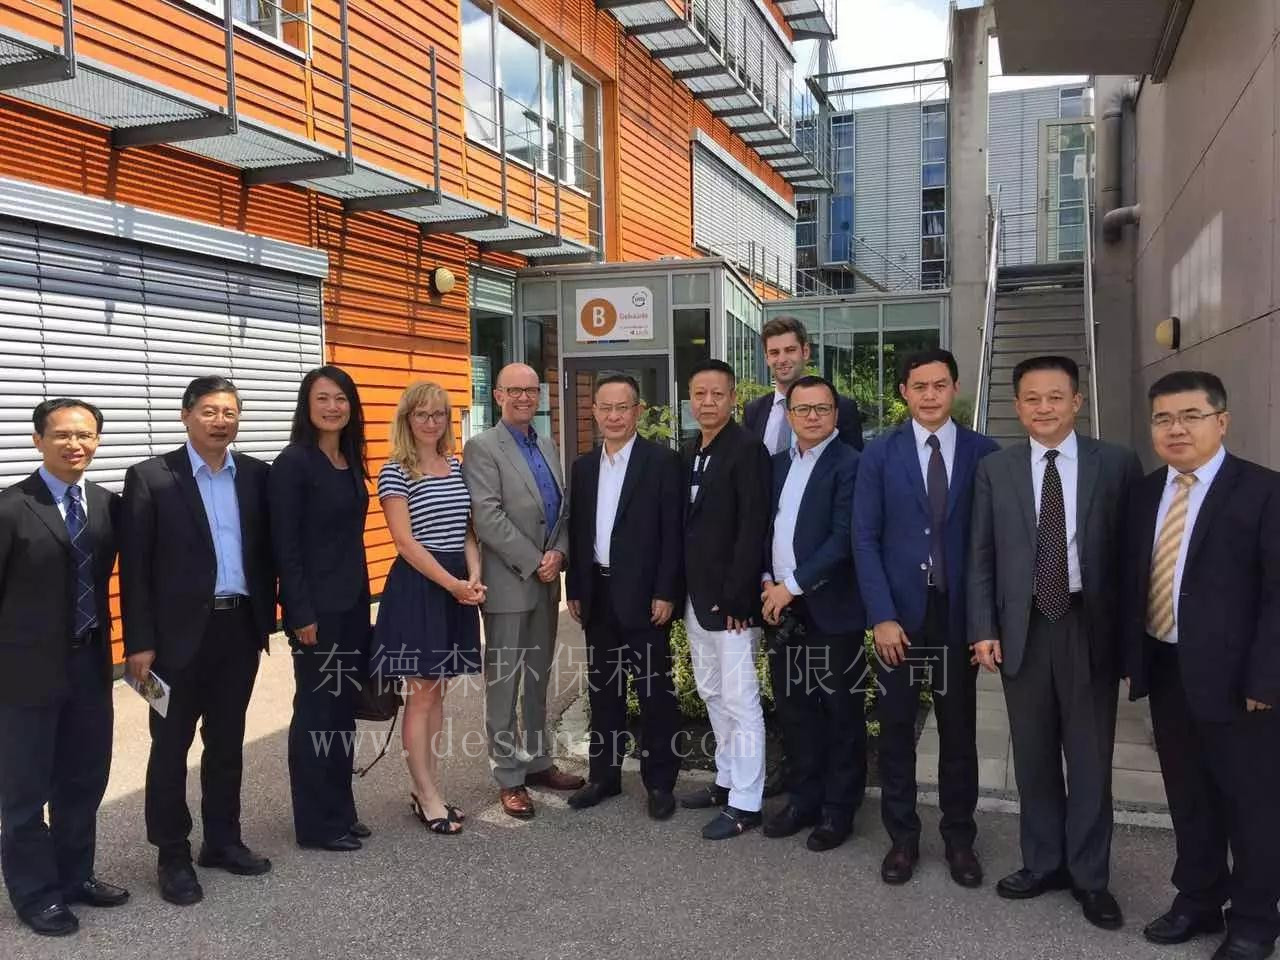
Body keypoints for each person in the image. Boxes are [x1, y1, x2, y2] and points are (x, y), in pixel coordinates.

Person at [968, 355, 1141, 931]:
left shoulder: (1115, 464)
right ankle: (1042, 862)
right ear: (1017, 406)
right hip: (1023, 628)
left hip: (1088, 625)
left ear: (1077, 402)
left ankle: (1091, 878)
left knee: (1089, 758)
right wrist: (983, 628)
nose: (1044, 408)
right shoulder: (996, 470)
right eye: (1032, 399)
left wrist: (1131, 643)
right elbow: (981, 555)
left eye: (1055, 397)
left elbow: (1132, 560)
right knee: (1033, 753)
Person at [1124, 371, 1280, 960]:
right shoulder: (1145, 493)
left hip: (1242, 683)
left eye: (1191, 416)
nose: (1176, 429)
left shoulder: (1263, 492)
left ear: (1222, 421)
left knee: (1252, 804)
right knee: (1189, 796)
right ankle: (1198, 897)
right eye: (1163, 418)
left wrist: (1267, 678)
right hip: (1168, 667)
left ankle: (1256, 921)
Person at [120, 376, 276, 907]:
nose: (220, 421)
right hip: (173, 641)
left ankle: (223, 840)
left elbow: (266, 550)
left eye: (229, 412)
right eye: (209, 411)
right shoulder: (151, 477)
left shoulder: (254, 475)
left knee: (228, 741)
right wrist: (139, 641)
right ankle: (172, 856)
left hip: (238, 629)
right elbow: (135, 569)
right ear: (186, 415)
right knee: (170, 747)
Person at [853, 349, 998, 887]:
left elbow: (993, 544)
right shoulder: (880, 453)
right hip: (900, 619)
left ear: (954, 387)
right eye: (920, 386)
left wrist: (986, 623)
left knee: (959, 734)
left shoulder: (985, 453)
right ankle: (903, 839)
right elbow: (864, 538)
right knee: (895, 731)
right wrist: (881, 616)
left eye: (940, 385)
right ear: (904, 393)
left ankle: (960, 840)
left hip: (956, 617)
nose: (930, 395)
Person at [0, 399, 127, 937]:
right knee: (25, 789)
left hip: (89, 663)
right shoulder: (11, 508)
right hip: (24, 672)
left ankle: (76, 877)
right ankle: (36, 895)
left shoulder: (106, 505)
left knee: (83, 778)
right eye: (62, 435)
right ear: (38, 440)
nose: (75, 444)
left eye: (86, 435)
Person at [462, 363, 582, 819]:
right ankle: (509, 776)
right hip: (510, 584)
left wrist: (560, 554)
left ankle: (538, 762)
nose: (523, 398)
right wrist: (536, 561)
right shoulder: (482, 448)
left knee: (537, 678)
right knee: (504, 683)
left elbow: (563, 511)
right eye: (514, 390)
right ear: (497, 395)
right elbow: (487, 517)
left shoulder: (546, 444)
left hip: (547, 582)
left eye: (531, 390)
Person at [564, 374, 683, 820]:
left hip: (646, 597)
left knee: (655, 694)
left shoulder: (662, 462)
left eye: (622, 408)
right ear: (594, 412)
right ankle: (603, 777)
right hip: (598, 592)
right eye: (605, 408)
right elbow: (579, 532)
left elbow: (673, 533)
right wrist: (576, 588)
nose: (613, 416)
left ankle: (660, 783)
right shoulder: (583, 467)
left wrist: (666, 591)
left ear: (638, 411)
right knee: (604, 692)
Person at [759, 375, 864, 852]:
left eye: (822, 408)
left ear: (835, 414)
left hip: (831, 609)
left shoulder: (852, 464)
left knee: (840, 712)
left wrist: (791, 586)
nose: (813, 416)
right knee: (795, 710)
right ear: (789, 415)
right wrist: (767, 580)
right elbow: (765, 528)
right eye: (803, 409)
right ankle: (803, 800)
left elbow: (843, 539)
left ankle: (838, 810)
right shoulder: (777, 464)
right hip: (782, 609)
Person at [373, 381, 484, 835]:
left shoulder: (456, 466)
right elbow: (405, 542)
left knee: (437, 692)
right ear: (407, 419)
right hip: (420, 587)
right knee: (421, 693)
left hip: (456, 585)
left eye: (439, 414)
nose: (431, 422)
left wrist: (473, 575)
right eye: (422, 414)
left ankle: (428, 788)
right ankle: (425, 793)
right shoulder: (395, 471)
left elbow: (467, 531)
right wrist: (453, 584)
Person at [269, 366, 372, 853]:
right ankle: (315, 823)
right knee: (316, 712)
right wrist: (299, 613)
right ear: (306, 407)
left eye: (341, 399)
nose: (333, 407)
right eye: (323, 399)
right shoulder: (294, 463)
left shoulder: (348, 458)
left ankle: (341, 810)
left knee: (342, 711)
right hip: (316, 612)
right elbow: (284, 546)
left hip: (352, 605)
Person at [677, 358, 772, 839]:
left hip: (732, 605)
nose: (708, 402)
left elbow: (754, 527)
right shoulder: (690, 450)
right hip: (696, 599)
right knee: (712, 691)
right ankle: (728, 778)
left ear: (733, 399)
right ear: (690, 401)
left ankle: (747, 802)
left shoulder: (747, 449)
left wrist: (738, 597)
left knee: (740, 699)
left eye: (718, 394)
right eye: (700, 394)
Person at [742, 315, 863, 454]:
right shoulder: (753, 412)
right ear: (767, 358)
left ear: (805, 352)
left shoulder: (842, 408)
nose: (782, 359)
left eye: (790, 350)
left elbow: (852, 463)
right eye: (774, 353)